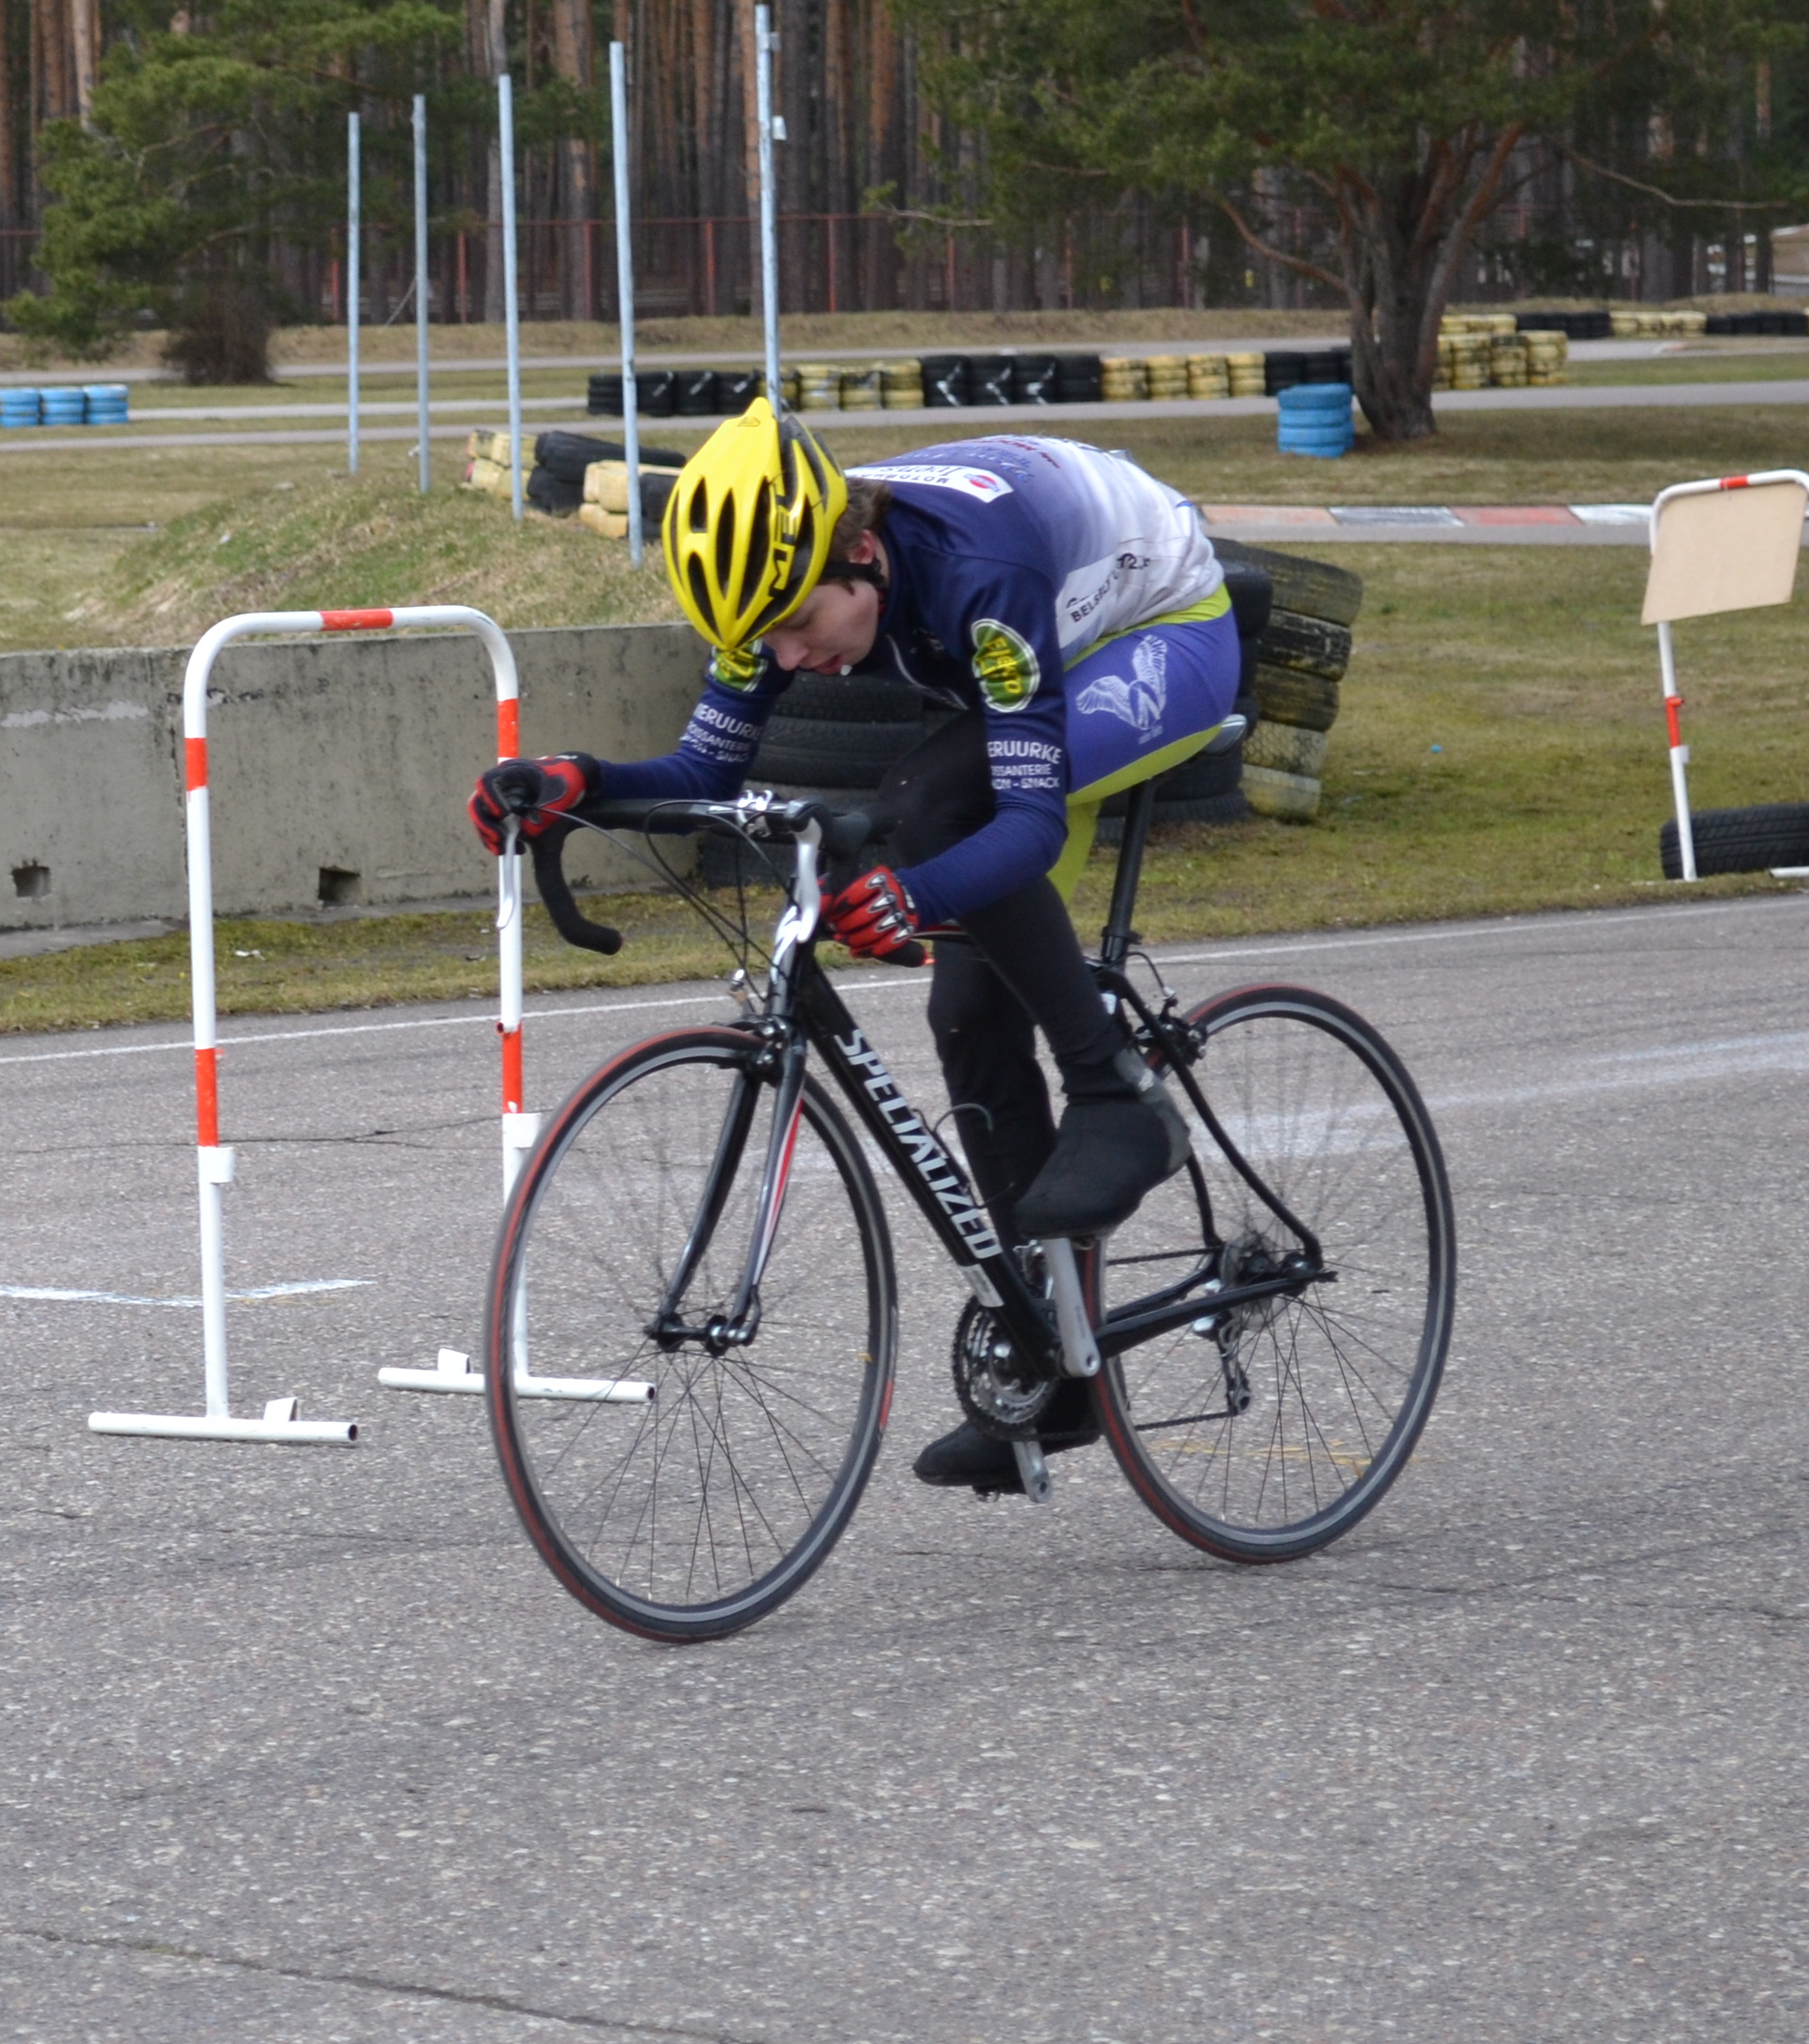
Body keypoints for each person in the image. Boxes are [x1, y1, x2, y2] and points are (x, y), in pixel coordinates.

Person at [468, 396, 1242, 1495]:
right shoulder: (777, 585)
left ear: (863, 557)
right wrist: (578, 783)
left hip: (1161, 628)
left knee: (931, 803)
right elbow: (707, 772)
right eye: (765, 640)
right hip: (1048, 641)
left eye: (799, 626)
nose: (790, 657)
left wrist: (910, 893)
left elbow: (1026, 822)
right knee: (967, 1013)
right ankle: (1055, 1371)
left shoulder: (977, 577)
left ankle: (1119, 1093)